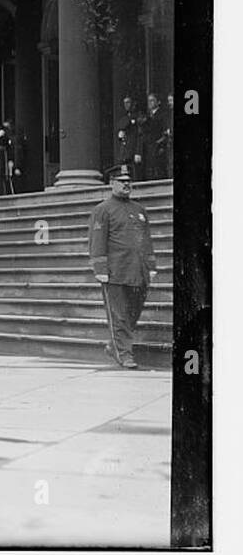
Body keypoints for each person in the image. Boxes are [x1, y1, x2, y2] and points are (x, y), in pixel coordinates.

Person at [89, 164, 157, 369]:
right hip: (115, 272)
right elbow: (97, 240)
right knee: (119, 316)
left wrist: (151, 266)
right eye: (122, 181)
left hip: (138, 272)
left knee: (133, 313)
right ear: (111, 184)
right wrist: (100, 269)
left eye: (129, 181)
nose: (127, 185)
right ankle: (124, 354)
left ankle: (115, 346)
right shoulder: (102, 210)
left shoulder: (139, 210)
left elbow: (147, 240)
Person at [139, 93, 169, 180]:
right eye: (148, 101)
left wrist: (160, 143)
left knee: (159, 169)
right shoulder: (147, 117)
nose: (150, 103)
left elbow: (165, 131)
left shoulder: (162, 115)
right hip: (149, 147)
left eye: (152, 101)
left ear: (158, 102)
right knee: (149, 170)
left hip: (159, 146)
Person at [116, 95, 141, 179]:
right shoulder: (124, 118)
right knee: (124, 171)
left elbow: (139, 135)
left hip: (133, 148)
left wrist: (138, 151)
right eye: (125, 103)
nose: (126, 105)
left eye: (128, 102)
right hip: (125, 149)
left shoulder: (138, 117)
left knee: (135, 172)